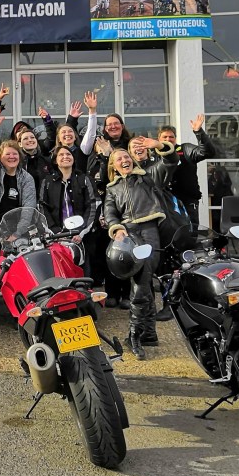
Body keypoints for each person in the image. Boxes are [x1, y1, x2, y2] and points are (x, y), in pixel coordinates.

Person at [103, 149, 168, 360]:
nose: (124, 160)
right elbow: (109, 212)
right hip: (128, 234)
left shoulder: (147, 177)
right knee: (143, 280)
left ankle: (134, 334)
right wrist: (116, 228)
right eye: (119, 159)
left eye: (126, 156)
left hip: (149, 231)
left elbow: (169, 162)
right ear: (113, 166)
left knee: (142, 280)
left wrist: (160, 146)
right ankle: (148, 333)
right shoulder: (112, 188)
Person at [0, 109, 37, 236]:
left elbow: (28, 209)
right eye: (7, 154)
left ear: (20, 157)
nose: (11, 157)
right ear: (0, 157)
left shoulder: (26, 178)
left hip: (13, 232)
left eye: (15, 154)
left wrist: (17, 234)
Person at [159, 114, 218, 225]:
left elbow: (208, 152)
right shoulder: (154, 154)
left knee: (190, 231)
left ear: (175, 138)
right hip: (163, 201)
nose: (168, 139)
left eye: (171, 137)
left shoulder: (185, 149)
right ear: (159, 139)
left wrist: (199, 132)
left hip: (187, 201)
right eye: (165, 137)